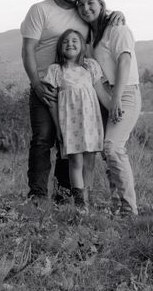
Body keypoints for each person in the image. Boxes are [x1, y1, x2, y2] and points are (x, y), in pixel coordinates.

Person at [20, 0, 122, 202]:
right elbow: (27, 50)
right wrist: (36, 83)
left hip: (78, 88)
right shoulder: (41, 10)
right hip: (46, 84)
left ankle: (64, 193)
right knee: (43, 138)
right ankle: (37, 195)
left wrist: (117, 14)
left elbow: (100, 17)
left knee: (71, 141)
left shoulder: (82, 13)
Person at [77, 0, 141, 216]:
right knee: (107, 153)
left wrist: (116, 99)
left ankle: (129, 209)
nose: (86, 8)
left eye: (90, 3)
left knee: (113, 147)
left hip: (125, 92)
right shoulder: (92, 35)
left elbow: (124, 62)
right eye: (81, 5)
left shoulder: (117, 28)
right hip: (103, 94)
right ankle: (116, 205)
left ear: (101, 4)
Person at [41, 29, 112, 208]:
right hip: (70, 124)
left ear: (82, 45)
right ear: (60, 47)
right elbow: (52, 103)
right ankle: (80, 205)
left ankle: (87, 198)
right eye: (65, 41)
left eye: (74, 41)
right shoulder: (56, 70)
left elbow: (101, 93)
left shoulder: (90, 66)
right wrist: (58, 127)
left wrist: (115, 108)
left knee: (90, 162)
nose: (70, 44)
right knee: (75, 161)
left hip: (90, 122)